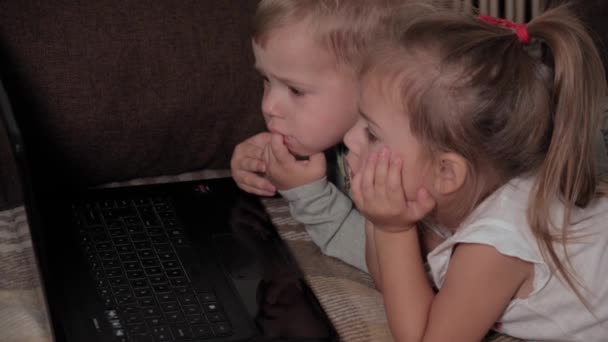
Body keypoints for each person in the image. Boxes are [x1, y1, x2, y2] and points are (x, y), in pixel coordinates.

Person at [344, 2, 608, 340]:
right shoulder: (453, 193)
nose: (350, 139)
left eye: (371, 133)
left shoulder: (495, 245)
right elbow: (394, 283)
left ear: (447, 173)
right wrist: (382, 219)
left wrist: (391, 232)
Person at [230, 0, 439, 273]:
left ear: (370, 84)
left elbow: (391, 263)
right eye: (267, 81)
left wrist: (308, 195)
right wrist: (266, 164)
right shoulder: (332, 135)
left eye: (295, 90)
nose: (268, 106)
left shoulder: (401, 165)